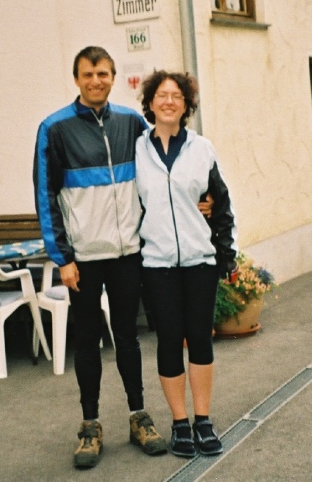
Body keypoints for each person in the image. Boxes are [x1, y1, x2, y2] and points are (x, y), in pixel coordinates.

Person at [33, 46, 168, 469]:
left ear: (112, 77)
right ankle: (89, 425)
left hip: (128, 252)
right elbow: (45, 196)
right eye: (89, 74)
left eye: (104, 74)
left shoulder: (131, 123)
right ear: (76, 78)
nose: (97, 81)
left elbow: (166, 164)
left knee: (128, 337)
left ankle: (138, 416)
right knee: (87, 340)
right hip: (84, 259)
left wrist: (201, 198)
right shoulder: (54, 129)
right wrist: (63, 257)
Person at [134, 70, 237, 458]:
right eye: (162, 95)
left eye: (177, 96)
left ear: (186, 105)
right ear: (151, 103)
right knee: (167, 340)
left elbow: (221, 205)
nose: (169, 102)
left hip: (198, 261)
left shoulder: (201, 148)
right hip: (156, 263)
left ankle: (203, 420)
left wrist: (224, 254)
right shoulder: (137, 151)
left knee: (199, 339)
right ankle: (179, 424)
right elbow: (131, 205)